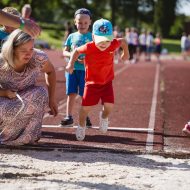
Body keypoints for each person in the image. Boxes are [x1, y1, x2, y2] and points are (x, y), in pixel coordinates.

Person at [66, 18, 129, 141]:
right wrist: (70, 64)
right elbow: (76, 51)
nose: (104, 44)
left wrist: (126, 53)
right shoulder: (89, 47)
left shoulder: (112, 44)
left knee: (109, 107)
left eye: (107, 40)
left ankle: (104, 118)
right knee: (85, 109)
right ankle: (81, 126)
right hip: (91, 84)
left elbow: (123, 41)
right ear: (93, 37)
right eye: (100, 40)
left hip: (107, 83)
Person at [0, 29, 58, 146]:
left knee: (40, 93)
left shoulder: (38, 57)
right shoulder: (1, 61)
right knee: (8, 109)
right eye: (23, 50)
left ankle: (27, 137)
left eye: (31, 49)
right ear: (13, 49)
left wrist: (51, 99)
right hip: (4, 99)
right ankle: (4, 137)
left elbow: (51, 71)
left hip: (28, 97)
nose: (29, 54)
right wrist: (4, 93)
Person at [61, 8, 93, 127]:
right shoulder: (71, 36)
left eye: (85, 23)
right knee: (71, 93)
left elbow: (96, 53)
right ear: (75, 22)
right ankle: (68, 117)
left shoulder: (93, 37)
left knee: (84, 95)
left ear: (90, 22)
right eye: (79, 22)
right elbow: (64, 52)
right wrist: (73, 55)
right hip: (72, 70)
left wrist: (87, 59)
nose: (82, 25)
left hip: (86, 71)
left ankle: (85, 116)